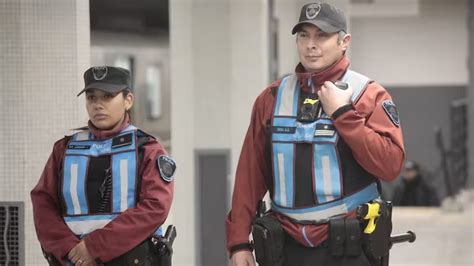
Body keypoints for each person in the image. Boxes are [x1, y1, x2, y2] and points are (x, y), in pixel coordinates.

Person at [226, 2, 405, 266]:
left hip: (349, 248)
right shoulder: (271, 99)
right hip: (286, 249)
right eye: (304, 36)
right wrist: (238, 242)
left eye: (321, 35)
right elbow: (249, 176)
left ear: (344, 41)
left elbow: (390, 165)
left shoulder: (368, 94)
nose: (311, 44)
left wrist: (343, 113)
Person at [31, 66, 176, 265]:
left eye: (107, 96)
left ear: (128, 100)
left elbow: (155, 207)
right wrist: (69, 251)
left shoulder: (148, 149)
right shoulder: (64, 149)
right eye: (91, 97)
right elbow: (43, 202)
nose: (98, 104)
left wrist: (94, 248)